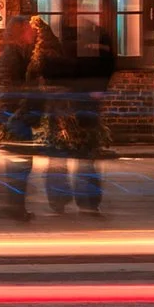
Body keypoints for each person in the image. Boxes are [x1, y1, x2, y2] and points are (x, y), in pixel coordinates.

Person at [45, 16, 116, 215]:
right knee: (63, 153)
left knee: (82, 152)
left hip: (81, 102)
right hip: (66, 103)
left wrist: (98, 89)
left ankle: (85, 200)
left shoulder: (92, 36)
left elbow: (107, 64)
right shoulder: (59, 36)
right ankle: (66, 199)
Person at [0, 12, 45, 221]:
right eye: (28, 27)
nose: (33, 31)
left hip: (17, 116)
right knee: (18, 165)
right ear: (20, 32)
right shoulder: (12, 55)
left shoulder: (19, 53)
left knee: (17, 165)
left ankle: (12, 208)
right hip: (15, 117)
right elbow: (10, 88)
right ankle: (13, 209)